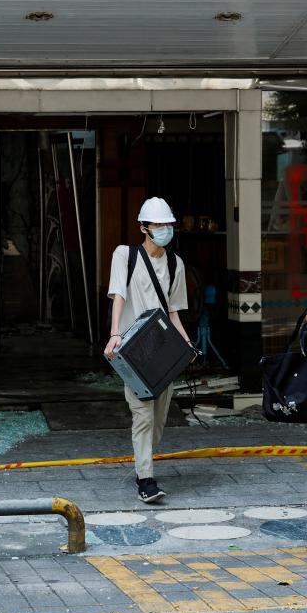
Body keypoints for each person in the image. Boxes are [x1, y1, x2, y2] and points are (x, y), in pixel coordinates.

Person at [104, 197, 192, 503]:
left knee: (159, 418)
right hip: (133, 348)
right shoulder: (125, 255)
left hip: (164, 350)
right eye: (158, 225)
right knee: (142, 414)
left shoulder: (174, 263)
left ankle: (145, 459)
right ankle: (146, 479)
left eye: (168, 224)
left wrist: (187, 344)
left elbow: (175, 311)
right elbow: (118, 295)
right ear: (143, 227)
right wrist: (115, 333)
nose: (164, 230)